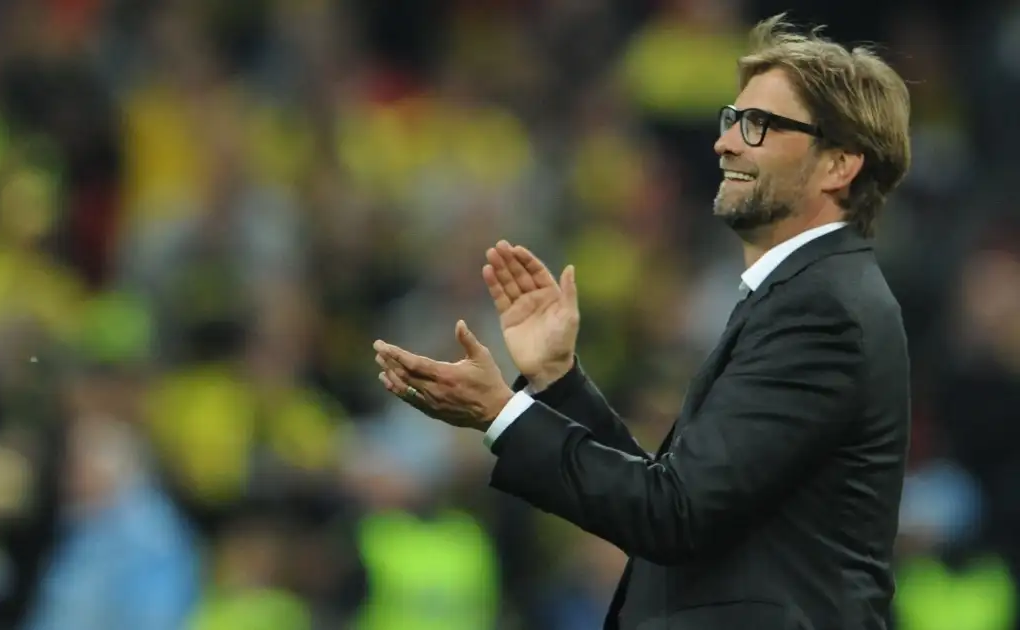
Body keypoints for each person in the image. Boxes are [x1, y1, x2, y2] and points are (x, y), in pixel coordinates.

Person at [372, 14, 912, 630]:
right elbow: (677, 500)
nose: (726, 143)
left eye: (760, 125)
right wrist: (556, 382)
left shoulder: (823, 309)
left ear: (839, 164)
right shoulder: (805, 295)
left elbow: (673, 514)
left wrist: (502, 415)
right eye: (731, 119)